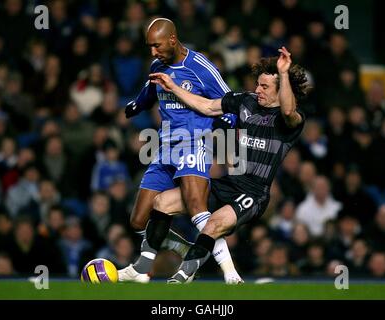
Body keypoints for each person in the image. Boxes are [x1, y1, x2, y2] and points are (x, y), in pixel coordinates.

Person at [148, 46, 308, 283]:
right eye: (257, 84)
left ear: (281, 89)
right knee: (162, 201)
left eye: (264, 87)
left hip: (253, 193)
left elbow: (288, 109)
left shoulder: (291, 121)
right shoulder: (245, 101)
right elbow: (207, 106)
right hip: (229, 182)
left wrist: (284, 74)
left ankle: (181, 277)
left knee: (212, 225)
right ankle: (147, 263)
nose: (257, 90)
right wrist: (173, 87)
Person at [118, 18, 242, 283]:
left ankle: (230, 272)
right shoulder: (157, 66)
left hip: (193, 143)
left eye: (157, 46)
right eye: (150, 46)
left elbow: (229, 101)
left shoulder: (200, 67)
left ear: (173, 39)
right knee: (138, 220)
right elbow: (149, 93)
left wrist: (226, 122)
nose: (153, 52)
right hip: (163, 147)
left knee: (197, 209)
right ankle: (182, 249)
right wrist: (136, 105)